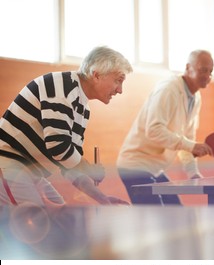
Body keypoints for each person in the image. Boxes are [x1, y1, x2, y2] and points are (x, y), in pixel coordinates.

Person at [0, 46, 132, 206]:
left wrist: (101, 198)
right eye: (118, 80)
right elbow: (58, 146)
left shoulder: (83, 108)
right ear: (96, 75)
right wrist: (89, 168)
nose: (120, 90)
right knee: (40, 224)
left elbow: (69, 164)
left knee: (64, 219)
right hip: (10, 165)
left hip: (32, 173)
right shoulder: (60, 87)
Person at [116, 49, 214, 205]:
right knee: (157, 218)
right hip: (135, 164)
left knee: (177, 213)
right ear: (188, 68)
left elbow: (187, 140)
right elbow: (153, 130)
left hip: (155, 168)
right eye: (203, 70)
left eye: (210, 71)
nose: (207, 75)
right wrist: (191, 146)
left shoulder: (196, 98)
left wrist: (193, 173)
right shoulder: (169, 89)